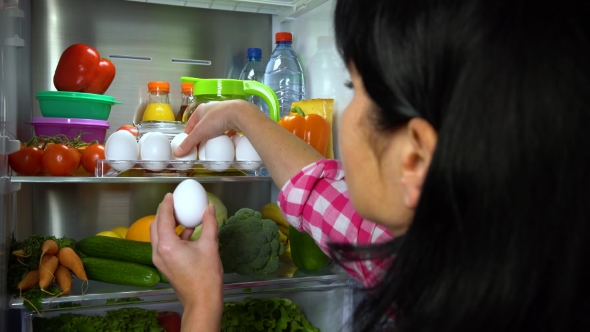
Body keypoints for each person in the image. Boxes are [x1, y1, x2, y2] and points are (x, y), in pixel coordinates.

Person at [150, 0, 590, 330]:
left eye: (354, 87)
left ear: (414, 158)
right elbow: (319, 193)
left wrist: (202, 305)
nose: (350, 110)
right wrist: (243, 115)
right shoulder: (433, 247)